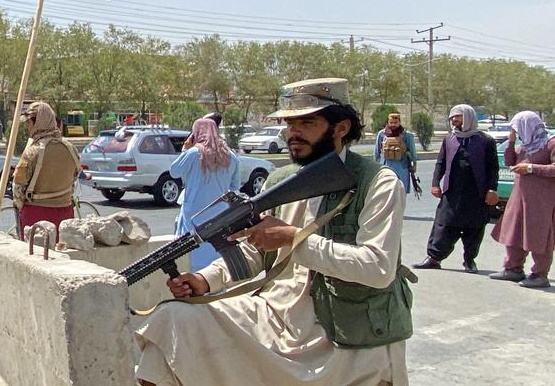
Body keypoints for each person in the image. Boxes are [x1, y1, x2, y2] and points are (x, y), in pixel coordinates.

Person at [135, 78, 412, 386]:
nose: (293, 132)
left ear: (341, 128)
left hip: (342, 332)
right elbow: (254, 250)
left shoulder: (379, 183)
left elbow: (378, 268)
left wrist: (292, 238)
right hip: (276, 315)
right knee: (170, 323)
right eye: (290, 123)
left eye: (307, 122)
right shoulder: (280, 181)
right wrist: (205, 280)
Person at [414, 105, 498, 273]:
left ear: (468, 117)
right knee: (444, 225)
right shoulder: (450, 139)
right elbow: (441, 162)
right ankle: (434, 258)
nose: (454, 120)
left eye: (457, 117)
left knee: (474, 227)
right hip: (452, 193)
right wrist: (435, 183)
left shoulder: (485, 141)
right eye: (452, 117)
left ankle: (469, 261)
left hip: (476, 193)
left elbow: (492, 168)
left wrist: (491, 189)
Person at [489, 111, 555, 288]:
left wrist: (532, 168)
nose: (517, 132)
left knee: (539, 236)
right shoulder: (525, 146)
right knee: (514, 233)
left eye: (518, 128)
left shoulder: (550, 144)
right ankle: (513, 268)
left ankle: (540, 274)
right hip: (519, 198)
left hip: (541, 201)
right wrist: (511, 141)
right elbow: (510, 160)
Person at [170, 118, 242, 270]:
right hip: (220, 212)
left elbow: (174, 172)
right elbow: (235, 185)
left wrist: (185, 149)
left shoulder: (193, 153)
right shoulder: (231, 155)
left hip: (194, 213)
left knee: (193, 252)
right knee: (215, 252)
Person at [11, 102, 82, 231]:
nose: (27, 127)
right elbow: (74, 179)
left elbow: (18, 187)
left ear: (37, 122)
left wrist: (21, 205)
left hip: (36, 216)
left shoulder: (32, 152)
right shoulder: (71, 149)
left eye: (28, 123)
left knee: (36, 250)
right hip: (65, 215)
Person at [375, 111, 417, 193]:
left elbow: (412, 152)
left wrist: (414, 165)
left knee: (400, 193)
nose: (393, 125)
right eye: (391, 122)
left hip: (402, 168)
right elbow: (377, 152)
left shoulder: (407, 135)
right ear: (387, 122)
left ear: (399, 122)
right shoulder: (382, 134)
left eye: (395, 122)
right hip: (386, 167)